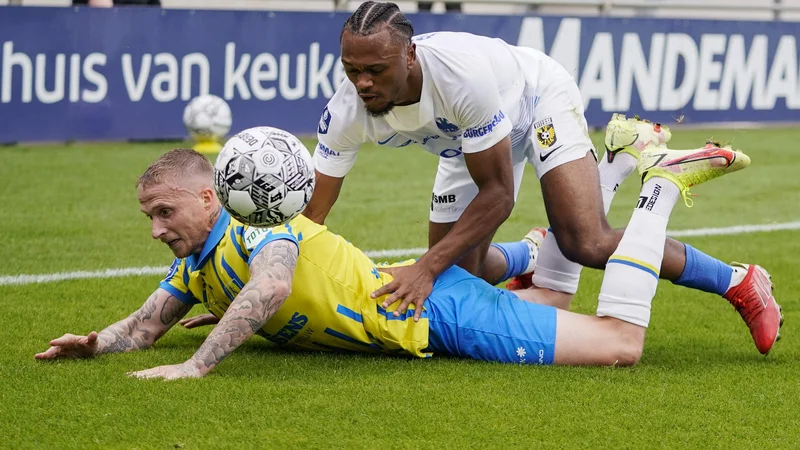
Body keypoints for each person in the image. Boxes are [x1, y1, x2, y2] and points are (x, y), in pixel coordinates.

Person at [34, 141, 781, 379]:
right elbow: (148, 322)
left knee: (621, 345)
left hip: (438, 315)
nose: (156, 228)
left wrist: (199, 367)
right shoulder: (200, 261)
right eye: (149, 217)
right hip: (426, 295)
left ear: (211, 199)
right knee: (551, 306)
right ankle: (613, 167)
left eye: (164, 212)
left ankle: (658, 185)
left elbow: (269, 291)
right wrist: (97, 342)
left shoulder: (263, 229)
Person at [303, 1, 782, 354]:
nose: (362, 83)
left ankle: (738, 280)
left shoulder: (459, 77)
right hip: (465, 140)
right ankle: (532, 251)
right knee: (458, 278)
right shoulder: (346, 109)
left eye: (375, 70)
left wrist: (425, 267)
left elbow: (497, 196)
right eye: (352, 70)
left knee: (585, 241)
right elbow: (313, 216)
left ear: (409, 57)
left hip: (533, 101)